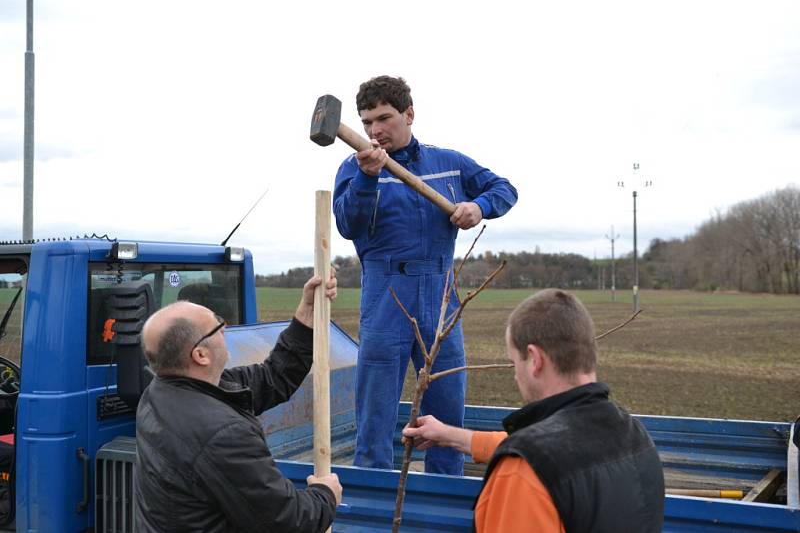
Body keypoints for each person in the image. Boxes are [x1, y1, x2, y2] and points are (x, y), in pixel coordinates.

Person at [333, 75, 518, 476]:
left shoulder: (447, 163)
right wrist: (367, 178)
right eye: (366, 122)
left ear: (409, 114)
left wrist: (479, 207)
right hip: (385, 296)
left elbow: (504, 188)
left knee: (447, 408)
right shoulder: (355, 167)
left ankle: (443, 498)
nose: (374, 130)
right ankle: (373, 502)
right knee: (376, 411)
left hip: (440, 292)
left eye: (383, 118)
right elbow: (348, 224)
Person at [403, 289, 665, 532]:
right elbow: (558, 452)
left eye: (514, 362)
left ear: (535, 360)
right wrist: (448, 435)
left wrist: (515, 458)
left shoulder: (523, 473)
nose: (515, 376)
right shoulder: (636, 438)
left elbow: (540, 457)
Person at [135, 275, 342, 533]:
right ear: (200, 355)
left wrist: (306, 313)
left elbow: (273, 377)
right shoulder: (221, 434)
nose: (224, 329)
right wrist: (325, 494)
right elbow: (287, 522)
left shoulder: (162, 392)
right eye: (217, 327)